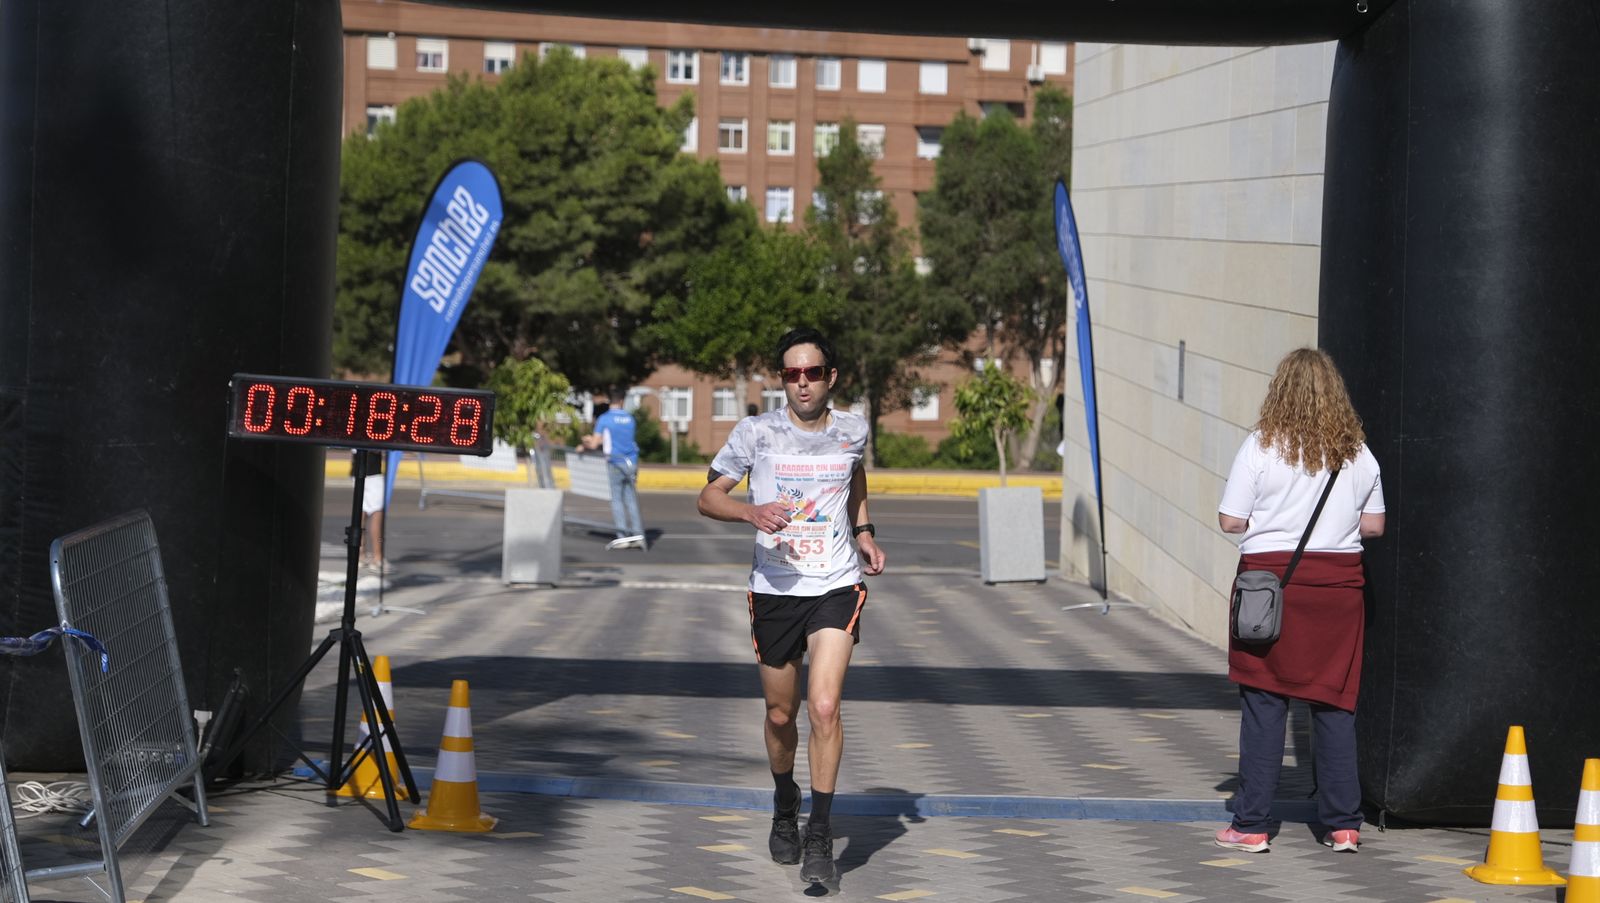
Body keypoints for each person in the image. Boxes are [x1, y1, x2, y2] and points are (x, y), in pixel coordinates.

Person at [697, 327, 886, 885]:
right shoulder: (756, 433)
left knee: (823, 707)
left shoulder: (853, 429)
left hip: (835, 583)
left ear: (831, 377)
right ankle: (786, 802)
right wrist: (750, 512)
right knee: (781, 714)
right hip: (776, 588)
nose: (802, 383)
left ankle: (820, 833)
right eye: (791, 374)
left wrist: (864, 531)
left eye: (812, 373)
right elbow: (708, 497)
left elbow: (853, 475)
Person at [1213, 348, 1385, 855]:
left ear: (1279, 391)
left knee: (1265, 702)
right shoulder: (1358, 454)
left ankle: (1251, 826)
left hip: (1270, 589)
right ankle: (1344, 826)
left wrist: (1270, 522)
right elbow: (1374, 526)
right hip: (1338, 593)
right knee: (1335, 703)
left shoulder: (1260, 447)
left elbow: (1230, 521)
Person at [583, 389, 645, 549]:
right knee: (631, 499)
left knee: (617, 499)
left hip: (615, 462)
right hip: (631, 462)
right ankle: (638, 534)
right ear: (622, 401)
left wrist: (584, 443)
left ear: (610, 400)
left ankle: (622, 536)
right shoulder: (630, 419)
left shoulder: (605, 419)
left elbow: (595, 443)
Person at [354, 449, 385, 571]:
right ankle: (377, 557)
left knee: (361, 512)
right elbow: (376, 448)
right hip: (373, 474)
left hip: (357, 471)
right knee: (377, 513)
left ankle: (360, 555)